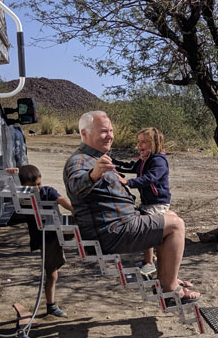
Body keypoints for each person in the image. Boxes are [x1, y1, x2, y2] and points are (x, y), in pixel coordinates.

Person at [63, 111, 199, 302]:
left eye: (111, 130)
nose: (109, 135)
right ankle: (169, 290)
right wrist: (93, 175)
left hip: (118, 225)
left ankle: (167, 278)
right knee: (176, 226)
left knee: (170, 215)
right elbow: (75, 186)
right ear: (84, 134)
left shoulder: (96, 157)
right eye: (103, 131)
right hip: (112, 231)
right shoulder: (79, 161)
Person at [112, 127, 188, 284]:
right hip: (148, 202)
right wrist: (113, 163)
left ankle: (149, 263)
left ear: (155, 143)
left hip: (158, 202)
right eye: (138, 142)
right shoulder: (143, 160)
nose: (140, 145)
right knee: (146, 225)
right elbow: (129, 167)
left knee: (149, 228)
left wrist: (128, 182)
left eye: (144, 142)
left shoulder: (159, 161)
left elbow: (150, 178)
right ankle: (150, 262)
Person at [18, 164, 73, 318]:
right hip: (44, 239)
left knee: (53, 271)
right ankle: (51, 305)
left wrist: (73, 209)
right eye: (32, 186)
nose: (38, 188)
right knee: (51, 273)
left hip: (55, 234)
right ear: (23, 187)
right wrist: (11, 174)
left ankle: (51, 305)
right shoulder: (23, 198)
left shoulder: (48, 191)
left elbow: (61, 200)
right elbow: (8, 189)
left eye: (39, 184)